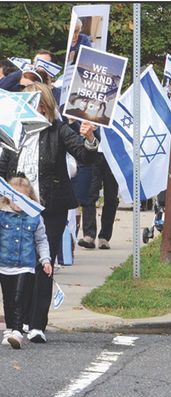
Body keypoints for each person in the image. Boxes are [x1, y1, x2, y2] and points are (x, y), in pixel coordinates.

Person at [0, 82, 98, 343]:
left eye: (38, 105)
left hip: (49, 208)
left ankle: (37, 324)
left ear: (45, 106)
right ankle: (16, 323)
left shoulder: (58, 129)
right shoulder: (14, 132)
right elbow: (3, 165)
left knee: (43, 263)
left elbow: (84, 155)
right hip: (15, 209)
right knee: (17, 265)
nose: (34, 111)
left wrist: (89, 138)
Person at [0, 176, 52, 349]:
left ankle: (17, 331)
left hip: (25, 264)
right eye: (15, 198)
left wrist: (45, 260)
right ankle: (10, 328)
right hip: (5, 264)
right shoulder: (2, 215)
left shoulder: (35, 217)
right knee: (8, 299)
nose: (19, 203)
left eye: (23, 199)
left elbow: (41, 241)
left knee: (19, 297)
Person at [77, 151, 119, 250]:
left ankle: (104, 236)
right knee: (89, 195)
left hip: (112, 154)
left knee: (111, 197)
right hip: (93, 153)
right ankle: (89, 235)